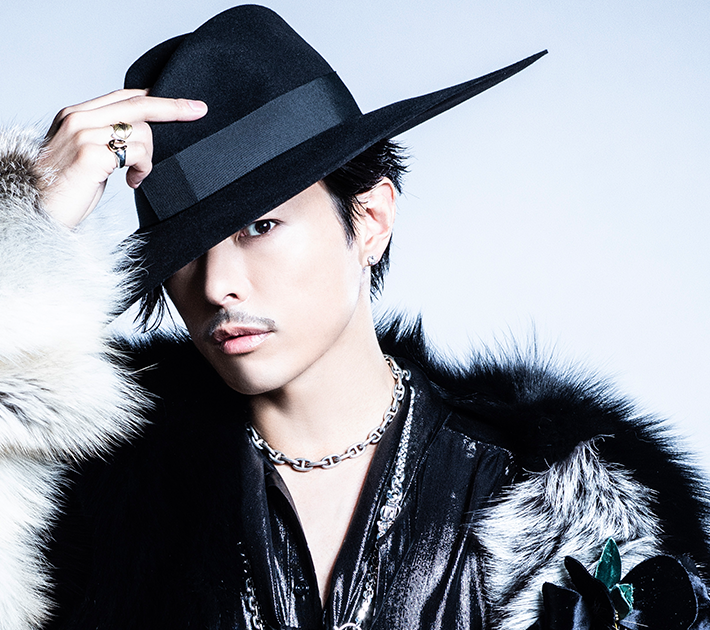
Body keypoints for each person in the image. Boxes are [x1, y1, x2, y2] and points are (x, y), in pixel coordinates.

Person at [0, 5, 708, 630]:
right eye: (184, 253)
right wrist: (31, 228)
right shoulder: (89, 483)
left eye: (259, 227)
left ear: (369, 219)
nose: (217, 285)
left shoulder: (544, 502)